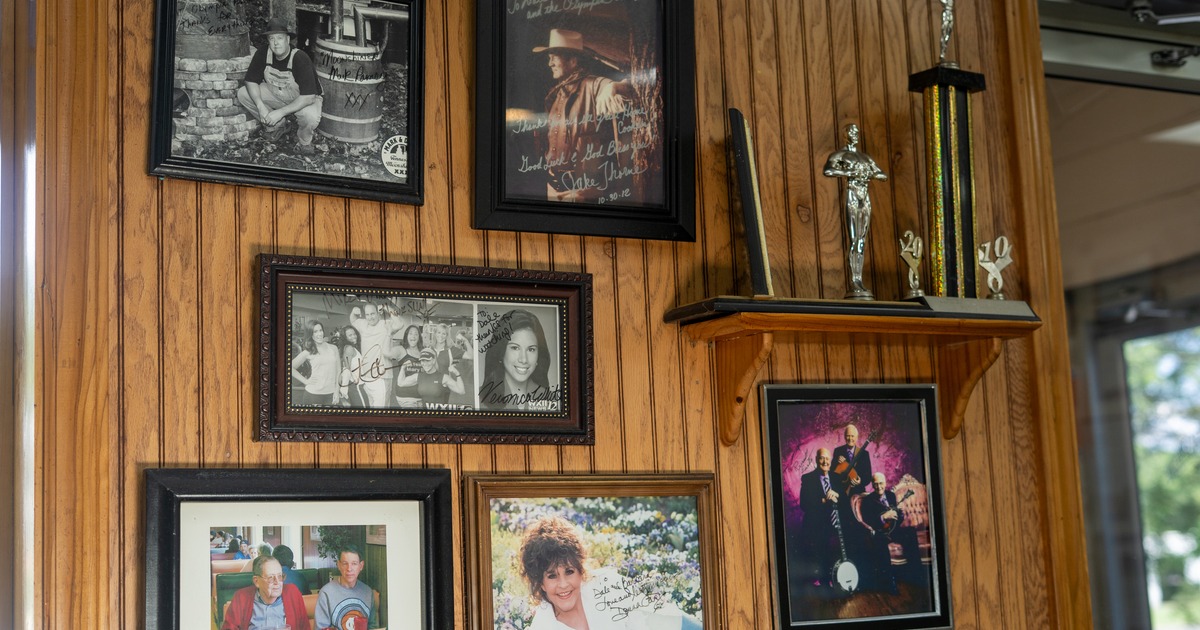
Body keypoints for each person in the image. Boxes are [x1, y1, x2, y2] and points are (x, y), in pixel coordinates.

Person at [518, 516, 700, 629]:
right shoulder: (543, 626)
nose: (564, 584)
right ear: (540, 582)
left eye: (569, 571)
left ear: (581, 571)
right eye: (552, 576)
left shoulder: (605, 584)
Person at [532, 29, 633, 202]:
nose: (550, 63)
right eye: (549, 58)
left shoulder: (592, 85)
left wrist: (614, 87)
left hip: (583, 189)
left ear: (573, 61)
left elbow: (629, 87)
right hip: (552, 186)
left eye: (554, 57)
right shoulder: (555, 94)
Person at [236, 17, 324, 155]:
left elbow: (309, 97)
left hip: (303, 99)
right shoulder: (263, 53)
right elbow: (251, 81)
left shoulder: (300, 58)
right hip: (277, 94)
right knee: (243, 94)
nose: (276, 43)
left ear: (287, 39)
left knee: (309, 116)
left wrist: (280, 112)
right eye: (272, 39)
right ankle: (277, 126)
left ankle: (304, 141)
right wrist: (260, 106)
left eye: (280, 38)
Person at [478, 309, 558, 411]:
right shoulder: (478, 399)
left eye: (531, 349)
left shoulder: (552, 402)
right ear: (501, 352)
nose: (523, 359)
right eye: (515, 348)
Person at [221, 555, 311, 630]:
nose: (277, 582)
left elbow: (305, 627)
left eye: (280, 576)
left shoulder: (292, 593)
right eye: (271, 577)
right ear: (256, 581)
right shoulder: (241, 597)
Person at [797, 448, 843, 589]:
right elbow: (804, 504)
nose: (824, 462)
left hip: (834, 521)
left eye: (827, 459)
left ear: (831, 461)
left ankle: (836, 576)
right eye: (822, 458)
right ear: (817, 460)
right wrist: (824, 500)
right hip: (816, 523)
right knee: (822, 544)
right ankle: (824, 580)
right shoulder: (808, 478)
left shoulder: (836, 477)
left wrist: (837, 495)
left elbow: (844, 501)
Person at [349, 301, 404, 408]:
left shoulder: (385, 324)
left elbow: (400, 324)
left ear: (378, 313)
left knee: (382, 410)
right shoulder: (363, 324)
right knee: (371, 408)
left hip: (382, 376)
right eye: (367, 314)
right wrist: (353, 312)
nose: (370, 317)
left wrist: (387, 308)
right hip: (367, 376)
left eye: (373, 313)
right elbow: (353, 320)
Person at [314, 544, 379, 629]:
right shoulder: (326, 593)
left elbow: (373, 627)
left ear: (361, 566)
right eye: (345, 564)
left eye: (354, 564)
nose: (349, 569)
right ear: (339, 565)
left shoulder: (368, 592)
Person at [291, 320, 341, 406]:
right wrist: (305, 381)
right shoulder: (308, 352)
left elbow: (339, 371)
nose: (319, 334)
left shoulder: (333, 348)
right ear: (310, 334)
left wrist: (337, 390)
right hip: (313, 394)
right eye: (315, 332)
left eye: (320, 330)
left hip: (331, 394)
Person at [832, 424, 873, 496]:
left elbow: (868, 476)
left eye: (852, 436)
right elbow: (831, 472)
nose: (850, 438)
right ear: (844, 437)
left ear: (857, 437)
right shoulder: (838, 451)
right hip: (841, 492)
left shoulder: (864, 454)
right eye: (848, 436)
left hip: (858, 493)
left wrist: (860, 481)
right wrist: (837, 462)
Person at [393, 324, 425, 408]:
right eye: (410, 333)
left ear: (419, 337)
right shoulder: (401, 350)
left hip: (422, 397)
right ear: (406, 336)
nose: (413, 336)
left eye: (416, 334)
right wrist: (390, 333)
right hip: (406, 397)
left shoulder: (423, 352)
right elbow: (386, 352)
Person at [338, 325, 369, 408]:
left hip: (358, 385)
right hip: (356, 386)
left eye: (354, 334)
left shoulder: (352, 348)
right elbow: (346, 369)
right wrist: (344, 388)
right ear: (345, 338)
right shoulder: (349, 348)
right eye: (350, 335)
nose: (354, 336)